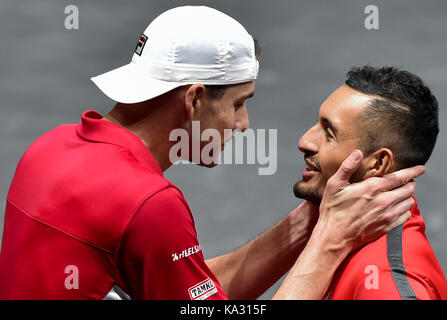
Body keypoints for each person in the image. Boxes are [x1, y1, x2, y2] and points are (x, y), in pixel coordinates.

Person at [0, 6, 423, 300]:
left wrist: (314, 216)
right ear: (195, 99)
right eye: (239, 103)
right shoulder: (148, 204)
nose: (244, 125)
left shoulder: (47, 147)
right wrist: (330, 240)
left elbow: (191, 292)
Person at [294, 65, 447, 300]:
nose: (304, 141)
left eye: (329, 133)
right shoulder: (349, 244)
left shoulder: (384, 284)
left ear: (377, 164)